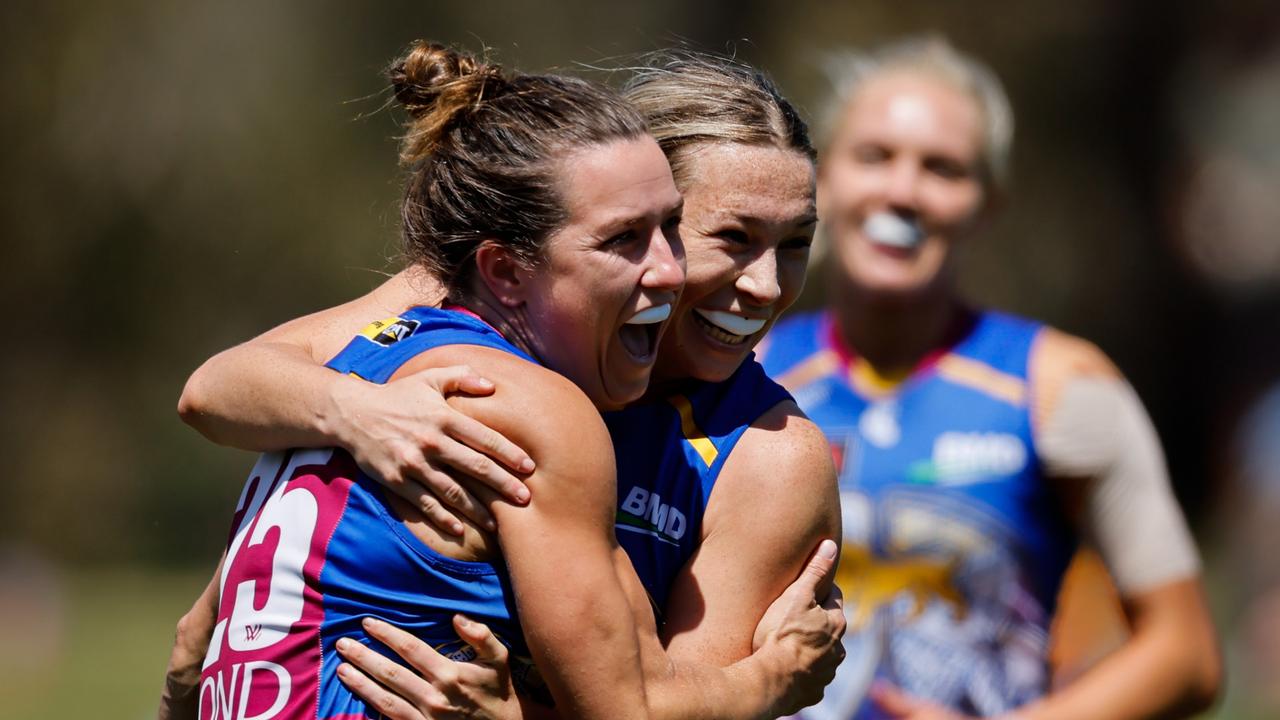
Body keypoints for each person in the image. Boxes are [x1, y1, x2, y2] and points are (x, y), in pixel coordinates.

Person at [163, 49, 844, 719]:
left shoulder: (769, 456)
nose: (766, 285)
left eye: (795, 244)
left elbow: (656, 705)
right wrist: (360, 414)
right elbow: (217, 386)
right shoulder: (476, 321)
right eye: (729, 236)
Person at [757, 36, 1221, 719]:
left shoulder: (1061, 384)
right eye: (874, 156)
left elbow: (1188, 655)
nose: (902, 191)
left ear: (988, 202)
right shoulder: (753, 369)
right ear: (820, 179)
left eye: (942, 168)